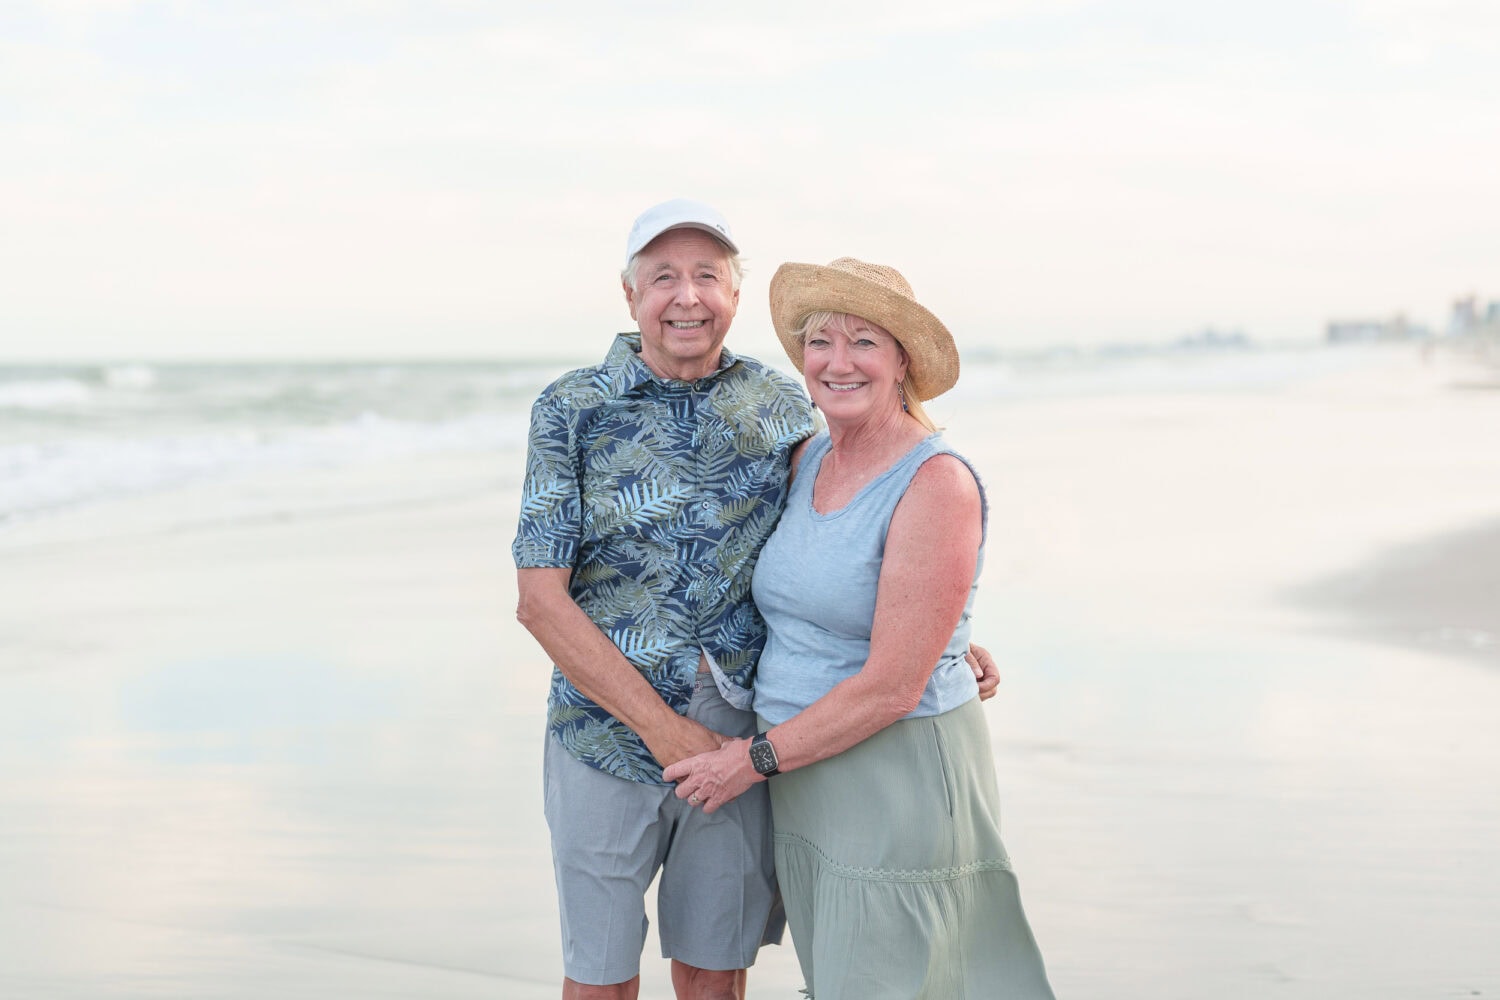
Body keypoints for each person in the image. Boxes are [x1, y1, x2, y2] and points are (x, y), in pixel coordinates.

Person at [664, 257, 1055, 999]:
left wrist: (749, 761)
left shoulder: (936, 480)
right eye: (820, 342)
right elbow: (826, 593)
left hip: (890, 775)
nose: (837, 363)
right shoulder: (809, 457)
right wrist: (948, 636)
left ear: (902, 362)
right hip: (808, 778)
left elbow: (890, 687)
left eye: (863, 343)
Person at [512, 198, 815, 999]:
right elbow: (540, 600)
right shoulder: (571, 408)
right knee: (601, 978)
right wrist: (664, 730)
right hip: (600, 729)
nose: (687, 296)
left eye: (707, 276)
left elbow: (846, 536)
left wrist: (944, 635)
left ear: (735, 296)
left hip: (739, 730)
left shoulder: (782, 405)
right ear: (629, 294)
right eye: (663, 278)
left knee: (715, 974)